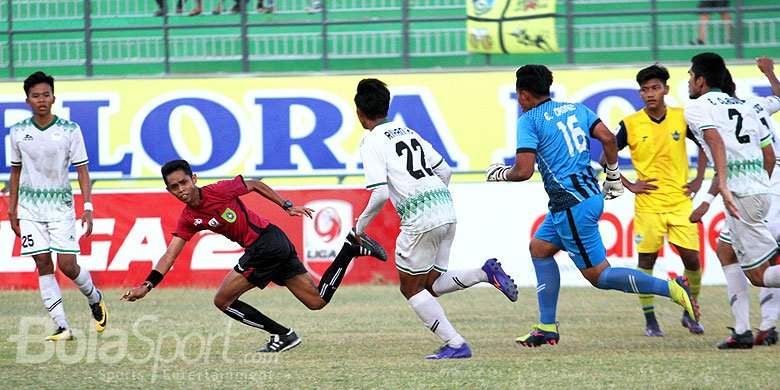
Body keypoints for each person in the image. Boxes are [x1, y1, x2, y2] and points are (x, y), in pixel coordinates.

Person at [486, 64, 698, 348]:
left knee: (600, 276)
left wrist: (499, 173)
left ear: (523, 95)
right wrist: (613, 176)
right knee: (539, 248)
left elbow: (523, 171)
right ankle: (546, 325)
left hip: (571, 204)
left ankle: (672, 287)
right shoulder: (576, 109)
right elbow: (609, 138)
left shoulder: (529, 120)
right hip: (587, 195)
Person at [121, 159, 387, 352]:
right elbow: (170, 255)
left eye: (184, 182)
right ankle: (350, 248)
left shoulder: (219, 191)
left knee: (223, 300)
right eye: (174, 187)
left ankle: (282, 334)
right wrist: (147, 285)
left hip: (266, 244)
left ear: (194, 178)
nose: (182, 189)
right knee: (316, 301)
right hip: (272, 245)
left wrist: (288, 206)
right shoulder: (188, 218)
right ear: (169, 191)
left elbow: (255, 185)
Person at [352, 79, 519, 360]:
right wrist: (433, 200)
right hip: (445, 208)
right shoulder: (408, 132)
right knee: (433, 283)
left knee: (410, 288)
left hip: (421, 217)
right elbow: (446, 171)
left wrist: (359, 227)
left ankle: (455, 345)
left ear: (359, 112)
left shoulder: (371, 142)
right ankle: (484, 273)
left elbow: (379, 193)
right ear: (387, 106)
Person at [7, 71, 107, 341]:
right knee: (42, 262)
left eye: (46, 95)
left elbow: (83, 170)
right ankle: (62, 326)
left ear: (54, 98)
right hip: (29, 208)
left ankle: (95, 297)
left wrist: (88, 206)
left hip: (61, 206)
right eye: (36, 95)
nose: (41, 99)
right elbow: (15, 172)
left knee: (67, 265)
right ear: (27, 99)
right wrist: (11, 208)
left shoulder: (70, 130)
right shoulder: (17, 132)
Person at [689, 56, 780, 348]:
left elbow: (715, 142)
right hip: (759, 191)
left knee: (759, 275)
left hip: (741, 196)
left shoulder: (697, 108)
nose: (689, 81)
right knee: (725, 251)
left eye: (691, 75)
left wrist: (726, 187)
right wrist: (757, 189)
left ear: (701, 80)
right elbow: (768, 156)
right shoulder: (747, 106)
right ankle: (742, 331)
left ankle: (757, 327)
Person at [614, 64, 707, 337]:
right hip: (649, 205)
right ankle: (650, 320)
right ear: (640, 93)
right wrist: (630, 184)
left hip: (679, 201)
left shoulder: (682, 117)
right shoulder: (630, 124)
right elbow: (605, 158)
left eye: (655, 88)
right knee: (646, 262)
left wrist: (700, 179)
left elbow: (705, 143)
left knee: (692, 259)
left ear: (666, 89)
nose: (650, 94)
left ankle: (690, 313)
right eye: (644, 89)